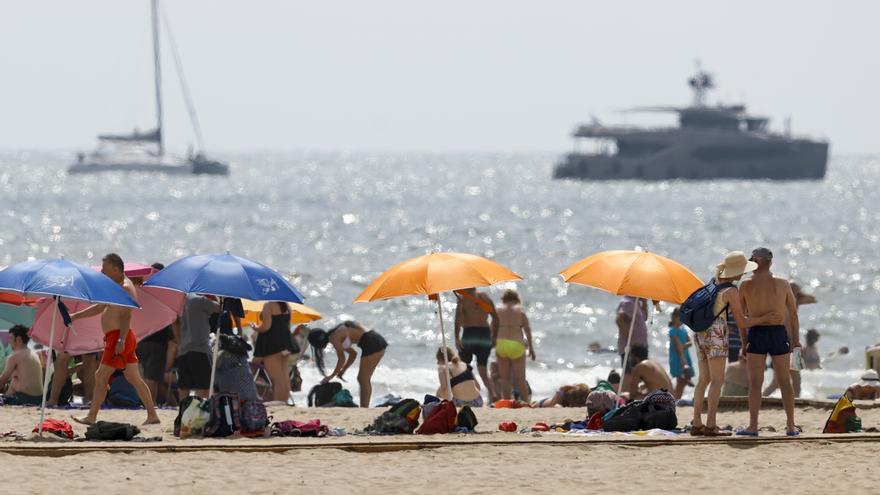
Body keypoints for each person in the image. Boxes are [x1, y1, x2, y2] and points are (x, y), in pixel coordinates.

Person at [691, 251, 778, 437]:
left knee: (703, 380)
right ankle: (711, 425)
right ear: (737, 271)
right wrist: (765, 318)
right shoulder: (731, 291)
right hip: (716, 333)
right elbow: (742, 322)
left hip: (699, 333)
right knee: (717, 380)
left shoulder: (712, 282)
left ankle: (696, 422)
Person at [71, 253, 159, 425]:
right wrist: (76, 316)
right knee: (134, 378)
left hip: (119, 337)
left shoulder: (125, 287)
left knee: (101, 375)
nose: (102, 272)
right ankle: (152, 415)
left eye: (105, 269)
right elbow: (100, 307)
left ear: (116, 269)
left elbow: (126, 316)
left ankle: (91, 416)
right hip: (120, 337)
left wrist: (120, 340)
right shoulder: (116, 286)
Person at [738, 247, 800, 436]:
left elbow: (741, 318)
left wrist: (744, 342)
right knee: (784, 381)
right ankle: (790, 426)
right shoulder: (783, 283)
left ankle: (753, 426)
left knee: (755, 383)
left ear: (754, 262)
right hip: (778, 333)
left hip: (756, 334)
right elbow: (794, 314)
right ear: (770, 262)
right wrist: (795, 340)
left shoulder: (745, 285)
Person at [308, 321, 387, 407]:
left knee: (363, 379)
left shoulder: (334, 337)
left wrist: (330, 376)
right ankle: (364, 407)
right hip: (374, 340)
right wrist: (343, 370)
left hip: (371, 342)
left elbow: (341, 359)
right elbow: (353, 354)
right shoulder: (336, 334)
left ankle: (364, 408)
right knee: (363, 379)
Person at [454, 287, 498, 402]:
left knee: (464, 367)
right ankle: (492, 394)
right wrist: (494, 336)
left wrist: (456, 337)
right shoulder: (485, 297)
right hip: (484, 334)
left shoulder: (463, 299)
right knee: (483, 369)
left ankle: (473, 391)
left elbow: (458, 319)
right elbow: (496, 318)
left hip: (469, 334)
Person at [174, 293, 219, 400]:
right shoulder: (199, 300)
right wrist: (214, 296)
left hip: (184, 349)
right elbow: (220, 308)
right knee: (204, 387)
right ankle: (199, 412)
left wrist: (180, 342)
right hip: (200, 349)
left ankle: (184, 412)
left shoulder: (180, 301)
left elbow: (174, 323)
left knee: (184, 387)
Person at [494, 289, 535, 402]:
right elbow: (527, 330)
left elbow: (492, 328)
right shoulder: (520, 312)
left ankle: (507, 402)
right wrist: (531, 348)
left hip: (501, 343)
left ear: (504, 299)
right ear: (516, 299)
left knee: (505, 378)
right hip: (516, 344)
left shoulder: (497, 311)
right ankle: (526, 402)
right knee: (520, 379)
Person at [250, 301, 294, 402]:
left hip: (272, 346)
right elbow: (286, 326)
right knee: (284, 377)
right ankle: (284, 402)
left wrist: (255, 327)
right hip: (285, 344)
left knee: (276, 379)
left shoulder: (268, 305)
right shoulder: (287, 306)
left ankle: (277, 402)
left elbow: (266, 327)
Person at [0, 325, 43, 405]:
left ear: (18, 339)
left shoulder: (14, 356)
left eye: (11, 338)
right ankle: (7, 396)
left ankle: (6, 397)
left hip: (24, 398)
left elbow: (2, 382)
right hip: (39, 398)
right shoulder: (34, 354)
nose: (9, 342)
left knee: (13, 381)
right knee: (15, 379)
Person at [667, 308, 694, 399]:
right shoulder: (673, 330)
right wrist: (683, 361)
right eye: (681, 317)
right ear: (674, 317)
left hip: (684, 356)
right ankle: (675, 400)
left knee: (681, 383)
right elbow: (679, 347)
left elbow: (690, 343)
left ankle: (676, 399)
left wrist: (682, 346)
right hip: (678, 358)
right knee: (680, 381)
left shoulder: (684, 330)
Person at [615, 296, 648, 371]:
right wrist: (632, 340)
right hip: (631, 348)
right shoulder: (628, 302)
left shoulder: (636, 303)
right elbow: (619, 320)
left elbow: (645, 317)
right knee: (630, 375)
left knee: (641, 374)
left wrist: (645, 303)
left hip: (640, 348)